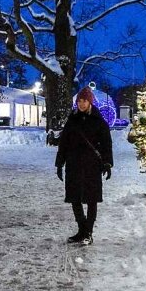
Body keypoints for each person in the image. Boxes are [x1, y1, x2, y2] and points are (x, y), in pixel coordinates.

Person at [55, 87, 113, 245]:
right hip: (73, 164)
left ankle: (89, 232)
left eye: (84, 101)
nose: (81, 104)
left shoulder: (99, 121)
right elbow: (64, 143)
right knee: (75, 198)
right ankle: (82, 230)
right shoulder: (72, 119)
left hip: (92, 165)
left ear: (90, 102)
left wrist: (107, 164)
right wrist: (59, 164)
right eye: (79, 101)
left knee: (91, 199)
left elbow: (107, 144)